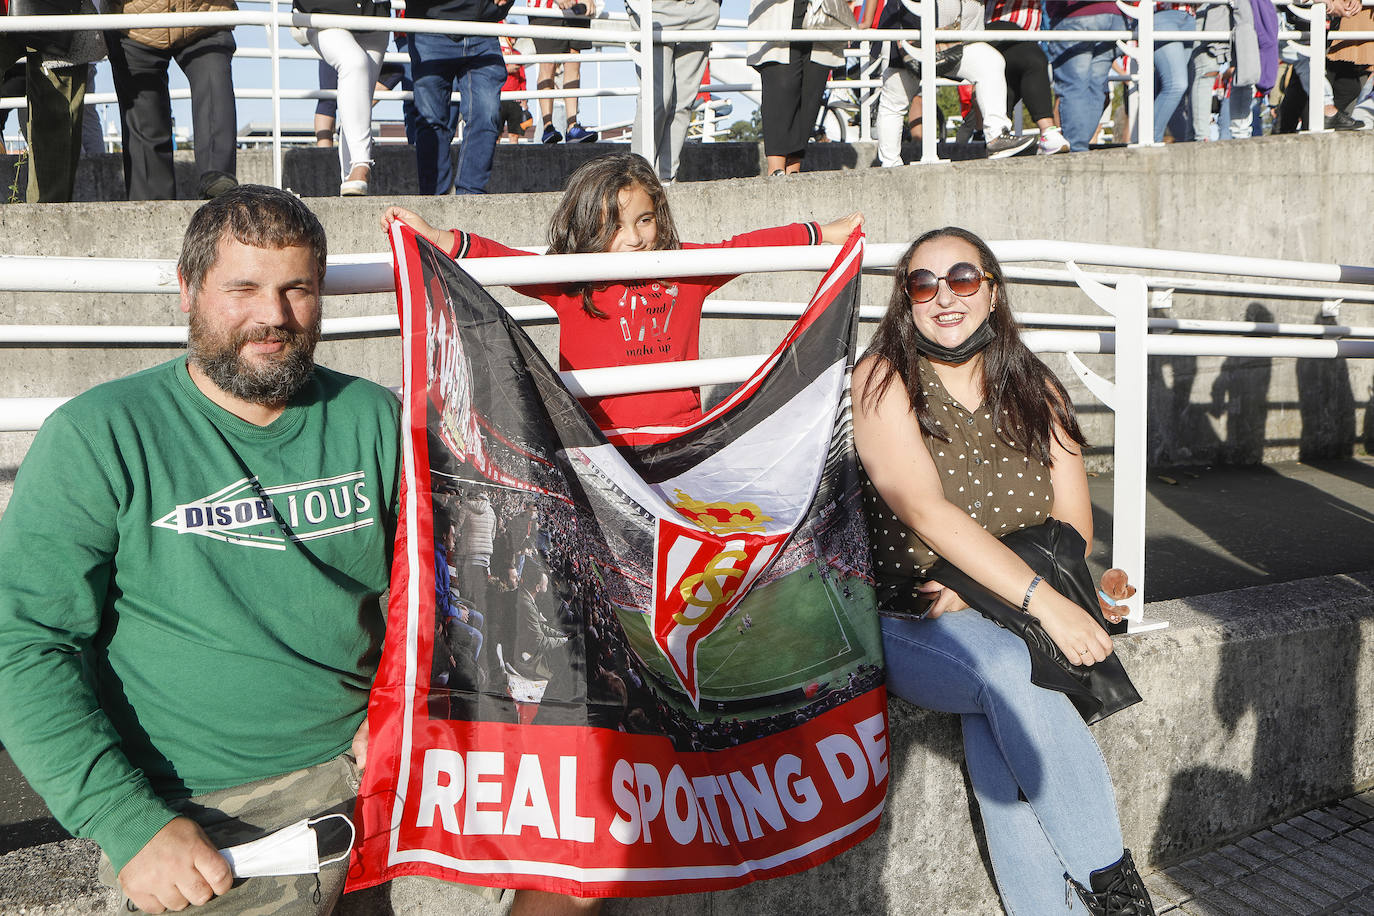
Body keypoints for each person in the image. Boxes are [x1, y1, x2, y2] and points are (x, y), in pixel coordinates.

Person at [0, 185, 401, 913]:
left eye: (297, 289)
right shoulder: (100, 434)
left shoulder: (375, 419)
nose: (273, 316)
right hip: (205, 823)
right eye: (242, 288)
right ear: (187, 290)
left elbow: (441, 590)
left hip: (371, 791)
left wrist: (402, 707)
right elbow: (25, 640)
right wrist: (127, 824)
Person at [851, 226, 1155, 915]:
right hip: (905, 615)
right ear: (905, 301)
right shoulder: (881, 378)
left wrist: (985, 588)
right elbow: (922, 511)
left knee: (1004, 721)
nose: (943, 298)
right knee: (1012, 669)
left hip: (998, 608)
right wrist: (1039, 603)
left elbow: (1073, 527)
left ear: (991, 292)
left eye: (962, 279)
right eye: (922, 285)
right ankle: (1118, 892)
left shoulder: (1035, 387)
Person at [380, 151, 861, 433]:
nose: (633, 237)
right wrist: (444, 240)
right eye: (614, 225)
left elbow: (747, 248)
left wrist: (821, 233)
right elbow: (508, 263)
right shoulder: (575, 279)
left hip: (681, 442)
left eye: (645, 220)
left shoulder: (685, 267)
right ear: (588, 226)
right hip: (598, 448)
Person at [102, 0, 238, 200]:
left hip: (204, 16)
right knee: (145, 121)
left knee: (215, 83)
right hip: (135, 23)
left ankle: (217, 180)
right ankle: (151, 206)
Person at [875, 0, 1036, 166]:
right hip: (909, 33)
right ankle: (890, 163)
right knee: (895, 101)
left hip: (953, 38)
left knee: (990, 61)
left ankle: (997, 138)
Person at [405, 0, 511, 194]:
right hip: (430, 26)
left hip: (483, 28)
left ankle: (471, 197)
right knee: (430, 120)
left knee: (487, 113)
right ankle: (434, 199)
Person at [0, 0, 95, 201]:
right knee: (58, 124)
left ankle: (45, 224)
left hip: (58, 13)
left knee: (58, 125)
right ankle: (46, 220)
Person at [297, 0, 394, 196]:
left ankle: (351, 181)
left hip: (373, 16)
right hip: (323, 12)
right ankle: (361, 163)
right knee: (354, 62)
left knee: (361, 95)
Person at [747, 0, 848, 176]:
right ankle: (776, 171)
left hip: (821, 20)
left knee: (810, 97)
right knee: (780, 92)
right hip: (778, 21)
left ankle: (794, 170)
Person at [629, 0, 720, 180]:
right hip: (655, 8)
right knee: (657, 99)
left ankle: (666, 180)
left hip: (703, 9)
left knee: (683, 103)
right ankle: (637, 179)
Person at [985, 0, 1070, 153]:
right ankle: (1048, 132)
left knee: (1010, 84)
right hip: (997, 27)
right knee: (1034, 61)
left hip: (1025, 39)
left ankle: (993, 138)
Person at [1047, 0, 1128, 152]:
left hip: (1075, 15)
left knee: (1074, 87)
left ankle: (1076, 149)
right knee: (1095, 87)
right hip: (1114, 16)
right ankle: (1081, 145)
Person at [527, 0, 599, 143]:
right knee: (547, 64)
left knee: (574, 62)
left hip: (577, 8)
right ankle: (548, 127)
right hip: (545, 9)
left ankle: (572, 126)